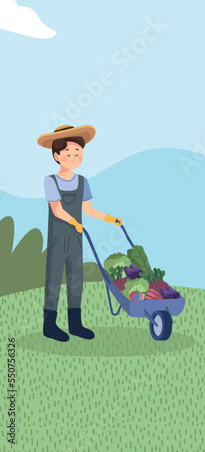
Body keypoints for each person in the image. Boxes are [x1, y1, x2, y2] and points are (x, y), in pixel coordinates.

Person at [37, 125, 123, 342]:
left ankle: (75, 324)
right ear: (57, 155)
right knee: (54, 280)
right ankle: (50, 325)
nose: (73, 157)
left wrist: (109, 218)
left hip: (76, 239)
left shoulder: (83, 181)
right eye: (68, 153)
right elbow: (56, 209)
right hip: (58, 239)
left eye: (77, 153)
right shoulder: (50, 181)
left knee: (76, 279)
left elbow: (89, 209)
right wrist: (73, 221)